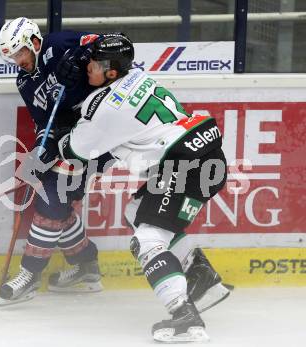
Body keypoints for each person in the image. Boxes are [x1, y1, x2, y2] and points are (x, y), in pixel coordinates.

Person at [55, 34, 230, 342]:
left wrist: (60, 129)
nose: (88, 69)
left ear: (111, 71)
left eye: (94, 65)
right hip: (204, 157)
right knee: (137, 211)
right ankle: (202, 277)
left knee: (147, 239)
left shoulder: (106, 108)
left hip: (183, 166)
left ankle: (184, 317)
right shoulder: (137, 75)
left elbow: (74, 152)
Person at [0, 17, 107, 306]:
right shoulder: (23, 81)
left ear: (33, 43)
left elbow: (109, 44)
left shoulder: (58, 44)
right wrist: (39, 152)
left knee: (51, 202)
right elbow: (44, 122)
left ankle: (29, 274)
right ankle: (86, 266)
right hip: (71, 139)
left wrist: (81, 59)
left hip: (102, 129)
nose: (18, 61)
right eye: (12, 56)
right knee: (57, 204)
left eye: (19, 52)